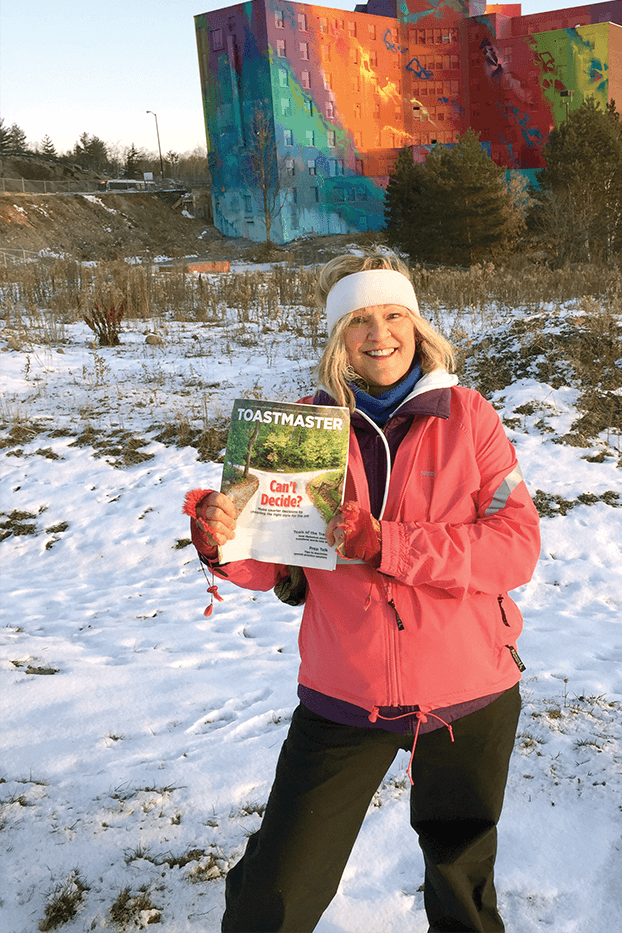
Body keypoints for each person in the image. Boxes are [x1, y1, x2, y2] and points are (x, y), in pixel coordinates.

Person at [185, 253, 541, 933]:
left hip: (466, 692)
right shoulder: (295, 430)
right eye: (358, 321)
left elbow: (515, 547)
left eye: (393, 315)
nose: (379, 335)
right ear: (336, 338)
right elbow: (273, 567)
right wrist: (224, 541)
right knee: (277, 891)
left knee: (460, 877)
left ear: (416, 325)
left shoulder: (468, 418)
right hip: (343, 690)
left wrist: (389, 544)